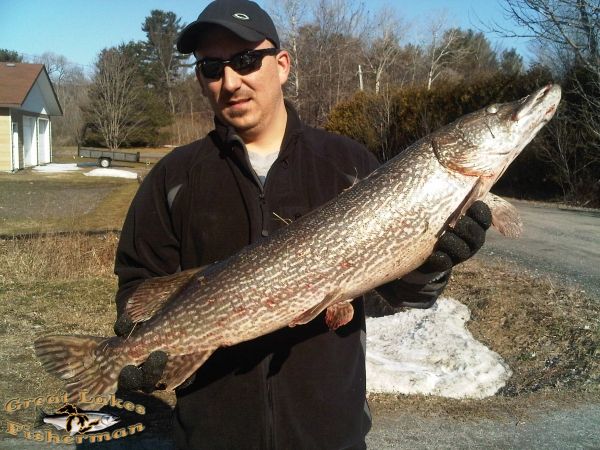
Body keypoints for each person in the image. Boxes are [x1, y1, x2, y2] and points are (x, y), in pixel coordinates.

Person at [113, 1, 492, 449]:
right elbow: (139, 289)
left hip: (330, 435)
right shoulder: (173, 178)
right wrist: (135, 347)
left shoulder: (349, 164)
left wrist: (432, 264)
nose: (230, 82)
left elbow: (397, 295)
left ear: (282, 65)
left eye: (246, 60)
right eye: (212, 68)